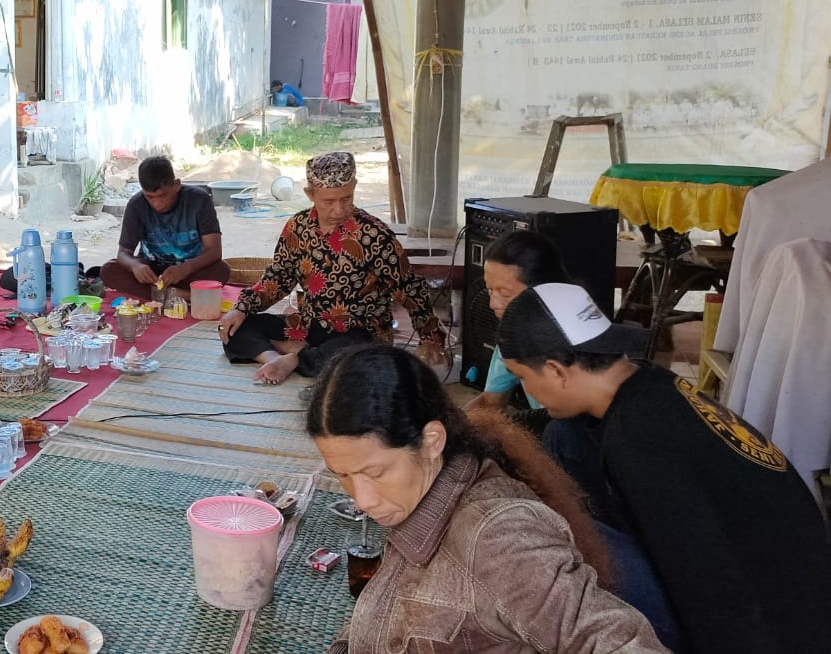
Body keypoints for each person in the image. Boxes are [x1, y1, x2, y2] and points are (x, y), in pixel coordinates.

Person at [499, 284, 831, 654]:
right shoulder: (648, 383)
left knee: (554, 539)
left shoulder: (640, 443)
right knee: (562, 435)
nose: (524, 387)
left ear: (556, 370)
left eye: (522, 377)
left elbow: (713, 582)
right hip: (794, 576)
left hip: (773, 623)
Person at [307, 345, 667, 653]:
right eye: (343, 475)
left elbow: (614, 639)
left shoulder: (496, 537)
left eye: (375, 473)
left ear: (432, 441)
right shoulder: (427, 495)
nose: (362, 500)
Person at [219, 152, 444, 385]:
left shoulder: (375, 235)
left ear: (354, 186)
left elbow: (409, 288)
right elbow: (278, 277)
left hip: (358, 334)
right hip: (310, 326)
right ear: (310, 194)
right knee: (235, 327)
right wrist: (241, 308)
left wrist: (431, 338)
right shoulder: (297, 228)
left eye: (346, 199)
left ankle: (295, 357)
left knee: (357, 354)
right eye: (329, 201)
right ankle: (275, 357)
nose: (338, 210)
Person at [465, 229, 569, 429]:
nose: (492, 304)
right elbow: (490, 403)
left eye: (504, 293)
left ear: (542, 288)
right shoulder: (512, 334)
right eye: (489, 290)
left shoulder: (574, 333)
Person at [98, 156, 229, 300]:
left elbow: (214, 251)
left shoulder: (199, 200)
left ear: (176, 185)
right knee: (109, 271)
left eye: (162, 195)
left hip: (190, 270)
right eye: (150, 197)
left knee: (221, 270)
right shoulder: (136, 205)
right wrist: (136, 266)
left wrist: (186, 268)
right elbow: (123, 254)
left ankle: (157, 293)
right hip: (151, 273)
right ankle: (179, 295)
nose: (157, 204)